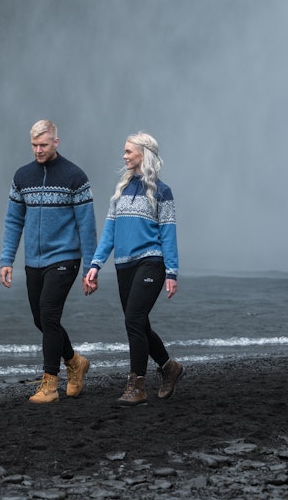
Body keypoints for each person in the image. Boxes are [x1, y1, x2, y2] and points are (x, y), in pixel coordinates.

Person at [0, 119, 97, 404]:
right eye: (34, 145)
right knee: (40, 319)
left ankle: (50, 384)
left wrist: (91, 267)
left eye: (43, 145)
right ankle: (75, 362)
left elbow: (87, 225)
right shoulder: (22, 176)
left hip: (66, 257)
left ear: (56, 142)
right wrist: (7, 259)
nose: (38, 150)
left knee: (49, 313)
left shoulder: (75, 176)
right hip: (34, 260)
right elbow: (13, 220)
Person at [84, 132, 184, 406]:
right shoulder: (121, 191)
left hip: (151, 262)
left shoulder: (162, 192)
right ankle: (169, 367)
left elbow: (168, 234)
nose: (124, 155)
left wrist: (172, 272)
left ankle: (137, 384)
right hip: (123, 265)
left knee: (133, 321)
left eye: (129, 151)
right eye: (124, 151)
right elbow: (109, 234)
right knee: (138, 323)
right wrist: (95, 265)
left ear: (144, 154)